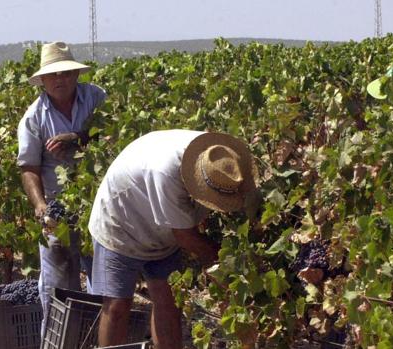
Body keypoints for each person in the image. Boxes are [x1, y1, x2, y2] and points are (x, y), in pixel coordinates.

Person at [87, 130, 259, 349]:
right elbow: (186, 237)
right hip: (120, 224)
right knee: (117, 306)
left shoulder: (221, 158)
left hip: (164, 230)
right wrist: (225, 270)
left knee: (169, 302)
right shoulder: (166, 173)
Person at [16, 41, 106, 334]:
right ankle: (59, 339)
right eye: (53, 75)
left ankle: (96, 337)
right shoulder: (33, 117)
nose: (60, 79)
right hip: (58, 208)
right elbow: (28, 168)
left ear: (76, 75)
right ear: (42, 80)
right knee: (58, 289)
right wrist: (41, 207)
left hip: (98, 202)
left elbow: (112, 133)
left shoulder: (96, 97)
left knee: (102, 279)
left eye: (66, 72)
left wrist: (76, 138)